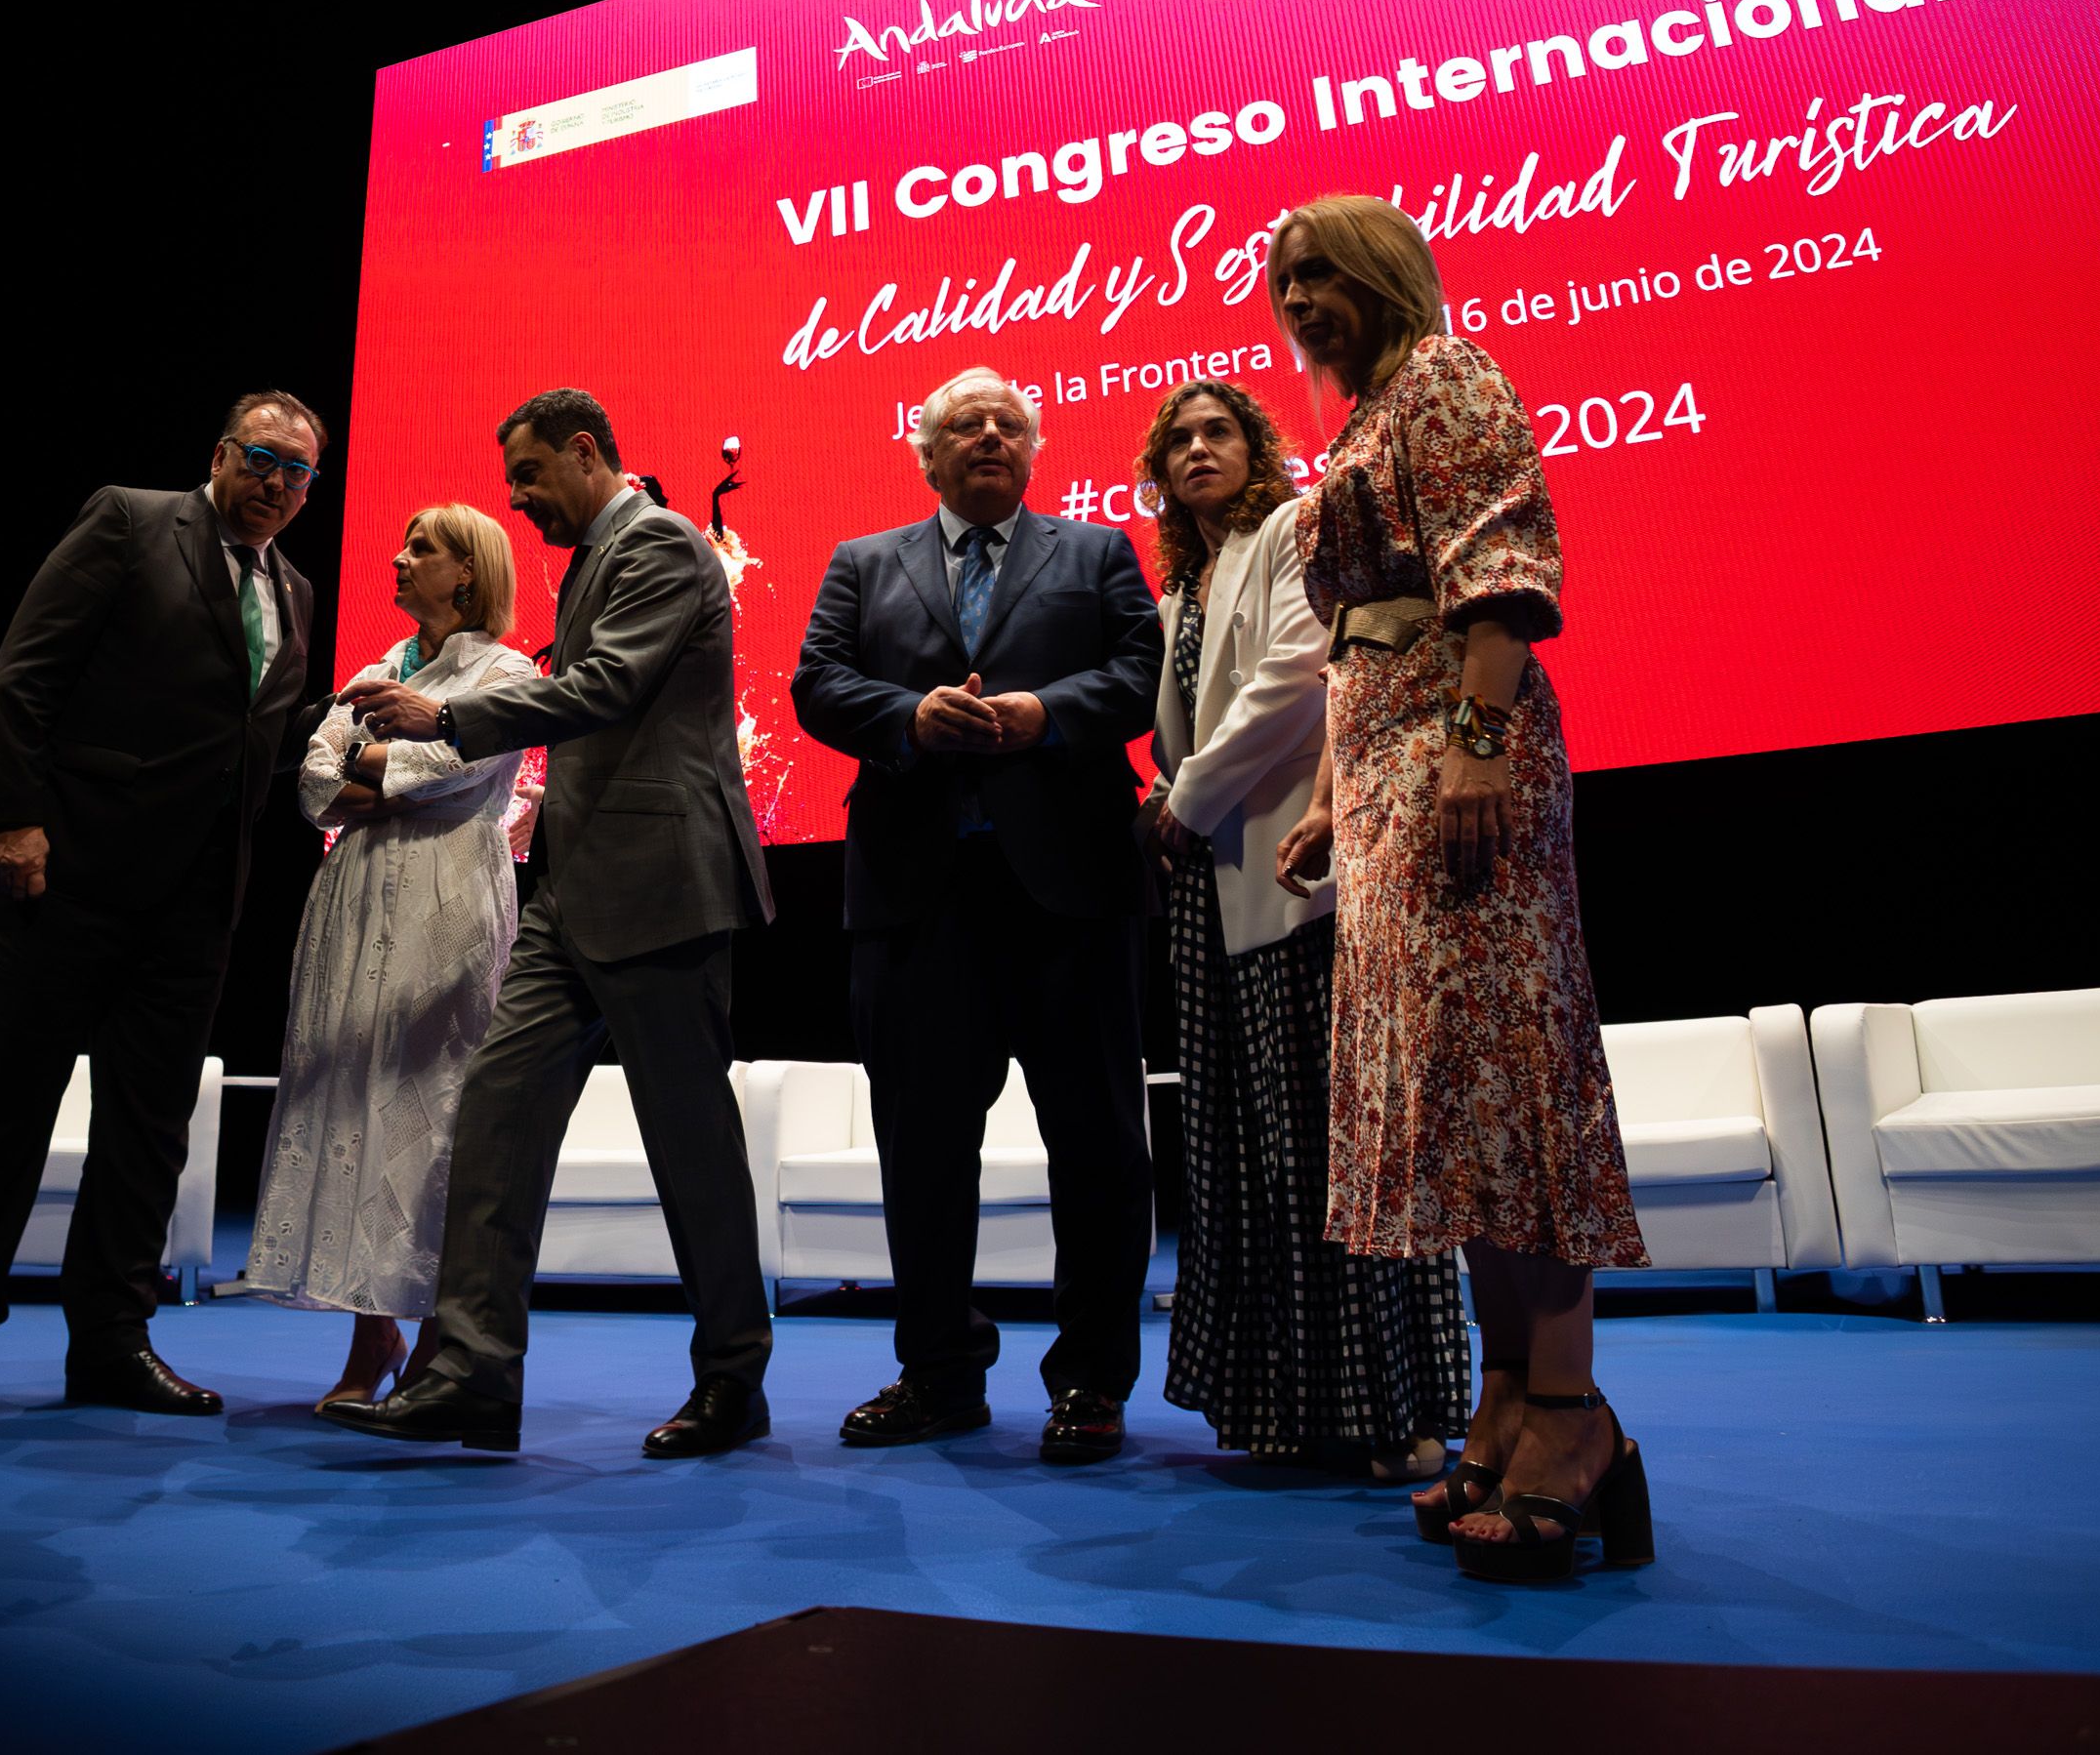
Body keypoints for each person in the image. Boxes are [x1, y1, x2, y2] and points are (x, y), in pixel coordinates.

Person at [1263, 197, 1651, 1583]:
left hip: (1457, 749)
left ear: (1383, 272)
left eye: (1323, 271)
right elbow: (1350, 642)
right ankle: (1503, 1391)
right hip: (1381, 771)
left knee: (1504, 1071)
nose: (1301, 296)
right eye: (1284, 279)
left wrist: (1479, 740)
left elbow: (1496, 564)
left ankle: (1570, 1407)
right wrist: (1324, 793)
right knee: (1447, 1087)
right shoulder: (1360, 419)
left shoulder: (1446, 372)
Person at [326, 388, 776, 1459]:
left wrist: (451, 716)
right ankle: (473, 1376)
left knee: (689, 1148)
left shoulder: (661, 544)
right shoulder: (597, 558)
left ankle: (732, 1382)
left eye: (527, 476)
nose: (518, 502)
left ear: (585, 453)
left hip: (664, 887)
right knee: (496, 1111)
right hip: (571, 894)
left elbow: (606, 688)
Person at [0, 389, 328, 1424]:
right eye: (262, 459)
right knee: (5, 1108)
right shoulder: (131, 522)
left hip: (193, 902)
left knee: (149, 1131)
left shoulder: (296, 591)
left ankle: (111, 1343)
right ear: (221, 452)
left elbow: (243, 734)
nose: (276, 484)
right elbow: (22, 677)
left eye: (298, 473)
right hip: (67, 874)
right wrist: (12, 818)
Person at [789, 367, 1163, 1462]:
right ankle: (939, 1371)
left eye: (1008, 422)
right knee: (924, 1153)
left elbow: (1142, 675)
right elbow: (816, 682)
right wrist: (910, 715)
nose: (989, 435)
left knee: (1097, 1147)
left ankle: (1091, 1381)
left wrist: (1047, 712)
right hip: (916, 900)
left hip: (1072, 894)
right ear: (926, 452)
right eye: (965, 423)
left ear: (1033, 450)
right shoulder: (862, 562)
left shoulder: (1095, 553)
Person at [1138, 380, 1468, 1476]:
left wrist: (1180, 805)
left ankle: (1395, 1411)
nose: (1197, 450)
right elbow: (1188, 722)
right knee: (1255, 1167)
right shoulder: (1181, 584)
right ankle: (1289, 1409)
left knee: (1336, 1154)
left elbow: (1293, 677)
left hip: (1300, 885)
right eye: (1177, 439)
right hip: (1218, 902)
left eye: (1216, 431)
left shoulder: (1291, 529)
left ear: (1256, 450)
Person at [244, 503, 533, 1415]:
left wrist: (377, 764)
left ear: (468, 572)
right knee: (347, 1100)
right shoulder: (375, 669)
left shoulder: (506, 668)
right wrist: (379, 767)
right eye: (402, 543)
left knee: (436, 1112)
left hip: (448, 897)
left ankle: (442, 1342)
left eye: (423, 550)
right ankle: (371, 1334)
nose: (399, 558)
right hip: (356, 896)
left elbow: (457, 770)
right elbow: (315, 782)